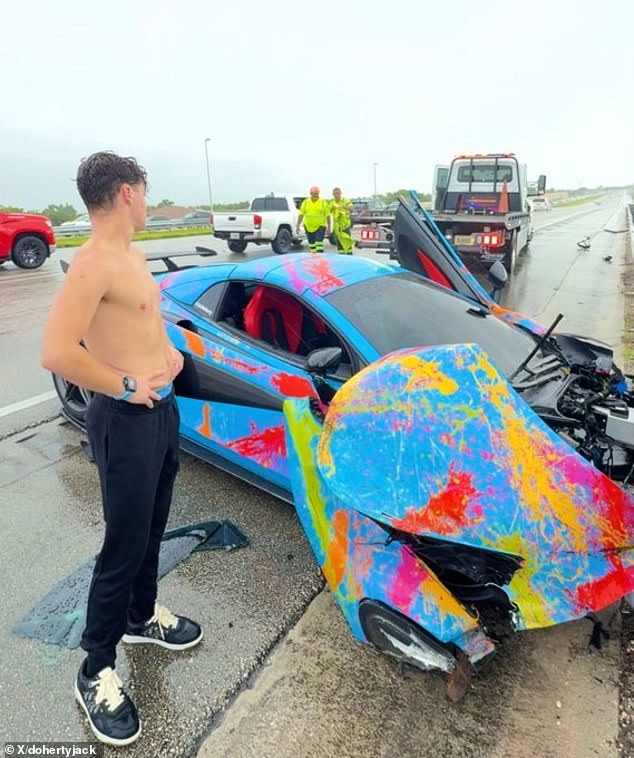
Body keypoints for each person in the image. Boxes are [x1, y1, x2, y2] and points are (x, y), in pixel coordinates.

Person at [40, 151, 202, 747]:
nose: (148, 201)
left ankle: (141, 618)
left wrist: (171, 357)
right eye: (145, 192)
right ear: (129, 193)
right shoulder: (95, 263)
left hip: (161, 413)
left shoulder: (132, 257)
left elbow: (146, 324)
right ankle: (94, 669)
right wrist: (129, 385)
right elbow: (57, 351)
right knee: (123, 544)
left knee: (153, 528)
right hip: (126, 418)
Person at [297, 185, 331, 253]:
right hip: (308, 226)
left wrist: (329, 228)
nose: (315, 195)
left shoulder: (323, 202)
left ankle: (320, 260)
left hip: (320, 226)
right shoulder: (306, 202)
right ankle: (314, 260)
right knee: (312, 246)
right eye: (314, 194)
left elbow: (328, 215)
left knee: (319, 246)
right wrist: (298, 225)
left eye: (317, 193)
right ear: (311, 194)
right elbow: (301, 214)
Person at [329, 187, 354, 254]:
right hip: (337, 227)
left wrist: (344, 206)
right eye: (335, 194)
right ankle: (341, 256)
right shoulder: (332, 203)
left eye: (338, 193)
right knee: (339, 244)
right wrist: (332, 208)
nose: (337, 195)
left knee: (347, 242)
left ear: (340, 193)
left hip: (345, 226)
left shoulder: (345, 200)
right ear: (333, 194)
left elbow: (352, 209)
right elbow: (328, 213)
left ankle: (349, 256)